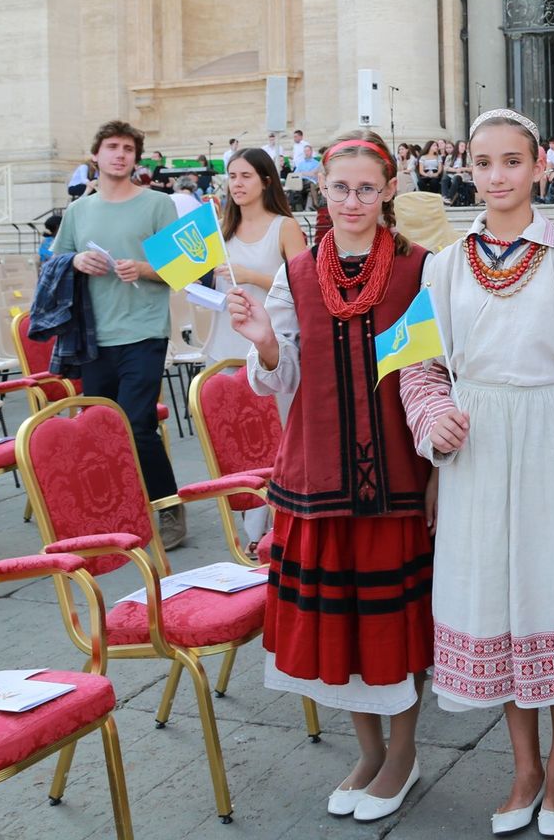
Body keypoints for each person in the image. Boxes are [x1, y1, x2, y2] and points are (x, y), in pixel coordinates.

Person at [402, 109, 554, 838]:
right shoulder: (443, 262)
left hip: (550, 440)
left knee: (551, 595)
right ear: (468, 168)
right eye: (484, 162)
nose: (497, 176)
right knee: (492, 599)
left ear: (537, 168)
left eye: (512, 162)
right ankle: (521, 765)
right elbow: (419, 368)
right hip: (475, 454)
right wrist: (435, 421)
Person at [224, 128, 435, 825]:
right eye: (339, 188)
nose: (352, 200)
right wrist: (260, 343)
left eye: (366, 188)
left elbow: (433, 375)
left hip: (396, 480)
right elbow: (279, 374)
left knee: (395, 627)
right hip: (316, 477)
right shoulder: (296, 272)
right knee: (343, 629)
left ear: (389, 191)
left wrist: (436, 469)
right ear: (322, 190)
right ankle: (369, 752)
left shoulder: (418, 270)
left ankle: (402, 755)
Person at [52, 121, 185, 544]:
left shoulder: (158, 205)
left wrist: (143, 269)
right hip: (94, 336)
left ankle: (167, 507)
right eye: (112, 146)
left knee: (137, 423)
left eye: (128, 148)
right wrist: (75, 263)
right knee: (102, 428)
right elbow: (54, 266)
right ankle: (123, 507)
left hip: (144, 330)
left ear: (135, 158)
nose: (120, 154)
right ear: (96, 155)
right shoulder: (78, 211)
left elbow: (184, 269)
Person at [203, 147, 307, 366]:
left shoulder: (285, 227)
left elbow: (303, 289)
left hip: (270, 349)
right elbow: (213, 284)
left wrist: (251, 276)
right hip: (222, 347)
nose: (237, 183)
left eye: (246, 176)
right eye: (232, 176)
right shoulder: (219, 230)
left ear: (266, 181)